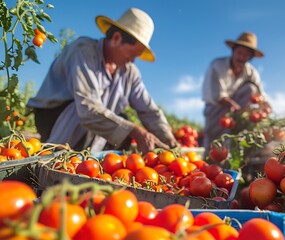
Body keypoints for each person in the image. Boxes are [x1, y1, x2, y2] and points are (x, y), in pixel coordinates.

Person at [26, 8, 177, 153]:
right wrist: (135, 131)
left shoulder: (130, 72)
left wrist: (171, 143)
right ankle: (55, 157)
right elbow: (87, 107)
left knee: (122, 122)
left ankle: (91, 160)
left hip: (88, 120)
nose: (132, 60)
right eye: (132, 53)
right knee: (98, 117)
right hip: (55, 117)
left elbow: (148, 110)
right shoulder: (84, 51)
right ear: (117, 38)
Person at [201, 32, 271, 156]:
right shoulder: (218, 66)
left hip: (237, 111)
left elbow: (261, 95)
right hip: (215, 108)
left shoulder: (251, 72)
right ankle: (208, 166)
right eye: (240, 53)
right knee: (214, 144)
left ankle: (232, 164)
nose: (241, 57)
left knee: (250, 88)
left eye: (246, 55)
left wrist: (265, 107)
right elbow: (219, 96)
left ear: (250, 58)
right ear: (233, 51)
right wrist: (237, 110)